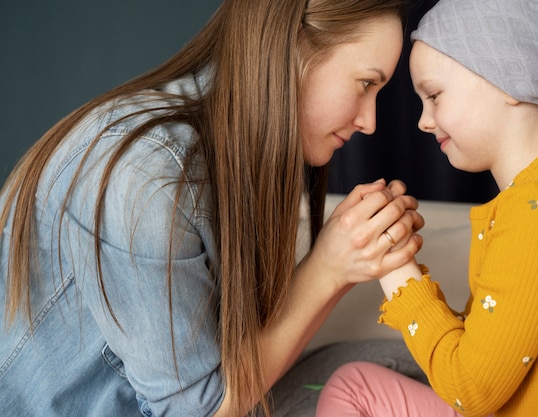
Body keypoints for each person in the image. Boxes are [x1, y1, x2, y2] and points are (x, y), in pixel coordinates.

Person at [0, 1, 426, 416]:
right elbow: (202, 410)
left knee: (394, 368)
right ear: (294, 49)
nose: (370, 122)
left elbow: (237, 362)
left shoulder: (233, 156)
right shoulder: (149, 181)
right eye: (366, 83)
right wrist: (331, 269)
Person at [317, 0, 538, 416]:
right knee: (355, 385)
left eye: (434, 95)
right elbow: (487, 352)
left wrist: (395, 269)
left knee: (355, 388)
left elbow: (470, 390)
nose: (423, 121)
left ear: (512, 81)